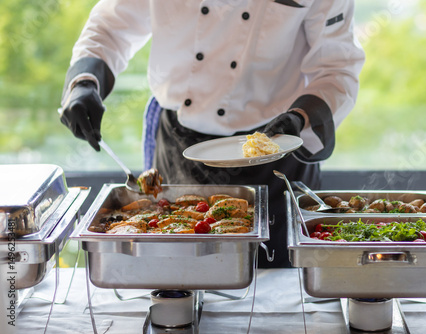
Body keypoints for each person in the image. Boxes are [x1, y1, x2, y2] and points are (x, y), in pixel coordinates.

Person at [59, 0, 365, 268]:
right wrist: (85, 81)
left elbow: (336, 67)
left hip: (277, 148)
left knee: (280, 284)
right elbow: (111, 26)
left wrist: (301, 118)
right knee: (175, 271)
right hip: (178, 145)